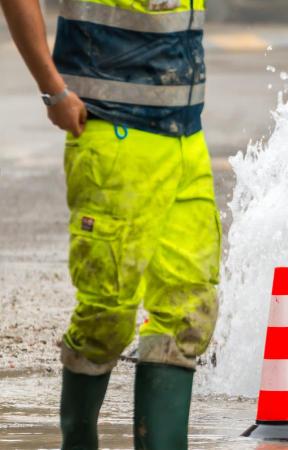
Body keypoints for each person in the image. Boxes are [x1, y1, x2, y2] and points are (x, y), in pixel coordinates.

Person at [0, 0, 220, 448]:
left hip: (185, 138)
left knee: (188, 312)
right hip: (113, 132)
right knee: (107, 314)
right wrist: (52, 89)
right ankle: (78, 440)